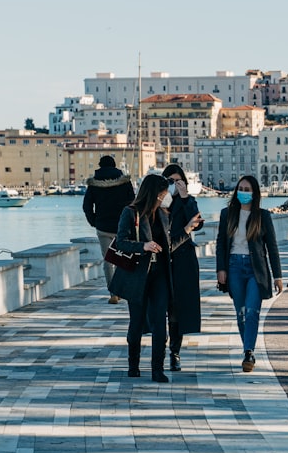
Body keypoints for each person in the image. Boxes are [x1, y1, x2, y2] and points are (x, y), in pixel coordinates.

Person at [109, 174, 202, 383]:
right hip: (137, 277)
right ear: (154, 194)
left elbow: (167, 247)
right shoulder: (130, 213)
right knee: (137, 324)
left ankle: (157, 369)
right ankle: (133, 365)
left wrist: (187, 229)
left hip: (160, 276)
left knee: (160, 323)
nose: (166, 197)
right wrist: (143, 246)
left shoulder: (163, 214)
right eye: (163, 194)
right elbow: (121, 242)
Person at [215, 176, 283, 373]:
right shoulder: (226, 214)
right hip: (234, 266)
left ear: (254, 193)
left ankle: (248, 352)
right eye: (241, 188)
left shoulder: (263, 216)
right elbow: (220, 243)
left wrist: (277, 276)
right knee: (241, 313)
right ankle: (248, 349)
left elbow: (272, 246)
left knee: (252, 312)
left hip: (256, 269)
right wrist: (221, 269)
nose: (243, 192)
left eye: (247, 189)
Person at [161, 164, 203, 372]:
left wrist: (185, 197)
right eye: (170, 181)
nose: (175, 185)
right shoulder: (158, 203)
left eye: (178, 181)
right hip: (161, 259)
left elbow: (198, 222)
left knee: (177, 310)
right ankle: (159, 348)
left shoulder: (188, 201)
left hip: (183, 260)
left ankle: (174, 352)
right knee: (161, 307)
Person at [83, 155, 135, 303]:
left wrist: (93, 221)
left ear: (100, 166)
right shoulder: (125, 183)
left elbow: (87, 206)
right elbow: (133, 203)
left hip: (103, 227)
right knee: (122, 259)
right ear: (115, 166)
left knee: (108, 260)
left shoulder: (94, 185)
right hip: (122, 227)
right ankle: (121, 289)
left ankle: (113, 292)